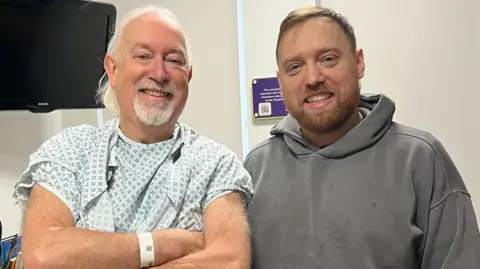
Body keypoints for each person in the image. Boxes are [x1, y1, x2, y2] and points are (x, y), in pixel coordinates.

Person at [13, 5, 253, 269]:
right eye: (143, 56)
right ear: (113, 70)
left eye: (173, 60)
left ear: (189, 75)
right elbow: (44, 256)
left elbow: (229, 261)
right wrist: (168, 244)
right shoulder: (69, 152)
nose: (159, 74)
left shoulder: (215, 164)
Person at [244, 6, 480, 269]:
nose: (312, 78)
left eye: (328, 59)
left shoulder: (420, 160)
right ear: (280, 81)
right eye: (295, 67)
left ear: (359, 63)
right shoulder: (256, 169)